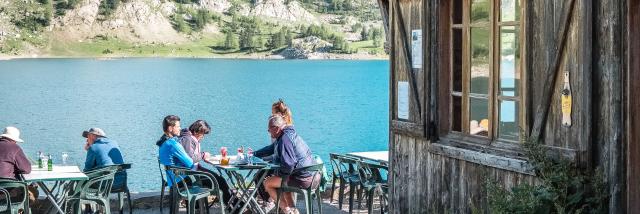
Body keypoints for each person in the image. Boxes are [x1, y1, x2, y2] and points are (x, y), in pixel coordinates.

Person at [261, 115, 319, 214]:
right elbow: (272, 149)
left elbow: (288, 164)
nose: (268, 131)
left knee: (268, 183)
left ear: (277, 128)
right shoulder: (291, 134)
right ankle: (294, 211)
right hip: (314, 177)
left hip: (303, 179)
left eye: (269, 129)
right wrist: (255, 153)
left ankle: (287, 211)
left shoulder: (284, 139)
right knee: (284, 184)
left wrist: (278, 174)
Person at [178, 120, 233, 205]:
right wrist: (203, 155)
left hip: (193, 172)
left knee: (221, 180)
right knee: (221, 181)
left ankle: (233, 205)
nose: (203, 137)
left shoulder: (189, 138)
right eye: (202, 134)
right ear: (197, 131)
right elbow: (189, 159)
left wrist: (200, 163)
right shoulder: (188, 139)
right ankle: (233, 207)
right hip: (190, 176)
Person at [0, 126, 38, 209]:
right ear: (14, 140)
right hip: (6, 191)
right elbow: (26, 169)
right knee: (33, 192)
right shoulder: (14, 148)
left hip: (3, 190)